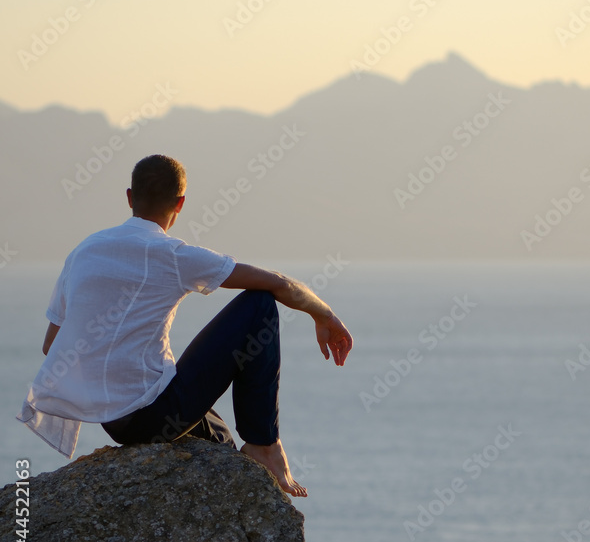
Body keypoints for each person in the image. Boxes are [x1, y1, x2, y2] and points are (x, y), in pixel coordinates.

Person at [16, 154, 353, 497]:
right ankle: (264, 444)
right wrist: (324, 315)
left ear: (130, 197)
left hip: (114, 421)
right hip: (153, 415)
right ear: (180, 203)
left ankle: (236, 470)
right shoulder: (172, 254)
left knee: (219, 437)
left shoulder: (84, 251)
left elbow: (52, 345)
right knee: (259, 305)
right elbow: (277, 283)